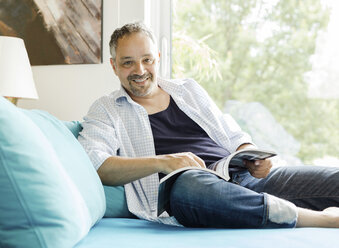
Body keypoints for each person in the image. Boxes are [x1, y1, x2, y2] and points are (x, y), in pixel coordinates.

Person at [78, 22, 339, 228]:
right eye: (128, 62)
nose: (140, 69)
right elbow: (95, 164)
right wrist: (164, 162)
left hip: (243, 179)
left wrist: (251, 154)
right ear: (114, 66)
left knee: (333, 179)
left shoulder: (188, 89)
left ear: (157, 58)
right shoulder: (106, 108)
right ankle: (316, 219)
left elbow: (231, 133)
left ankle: (264, 203)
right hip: (194, 191)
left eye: (147, 59)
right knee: (189, 186)